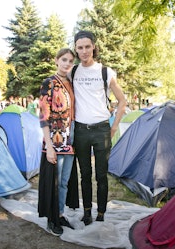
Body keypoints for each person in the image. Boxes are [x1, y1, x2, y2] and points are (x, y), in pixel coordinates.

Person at [71, 30, 127, 225]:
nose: (84, 51)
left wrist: (113, 128)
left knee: (101, 175)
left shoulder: (105, 71)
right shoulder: (73, 71)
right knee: (84, 175)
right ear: (76, 49)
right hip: (80, 131)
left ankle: (101, 212)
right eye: (80, 47)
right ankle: (87, 211)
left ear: (93, 46)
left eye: (87, 46)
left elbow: (122, 101)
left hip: (102, 130)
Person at [38, 48, 76, 236]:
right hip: (54, 137)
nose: (67, 63)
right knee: (55, 180)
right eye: (64, 60)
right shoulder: (49, 83)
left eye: (70, 61)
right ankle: (51, 218)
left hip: (70, 137)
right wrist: (49, 146)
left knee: (64, 181)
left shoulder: (71, 83)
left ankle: (60, 213)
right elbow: (43, 115)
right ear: (56, 61)